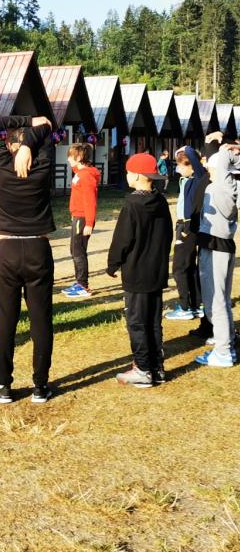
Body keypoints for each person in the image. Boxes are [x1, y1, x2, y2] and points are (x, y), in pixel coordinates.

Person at [0, 115, 55, 404]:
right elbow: (47, 128)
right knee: (41, 320)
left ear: (9, 146)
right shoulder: (43, 164)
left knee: (5, 320)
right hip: (38, 248)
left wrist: (25, 126)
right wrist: (30, 144)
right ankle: (40, 386)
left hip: (7, 250)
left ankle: (3, 385)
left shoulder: (2, 163)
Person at [107, 153, 172, 388]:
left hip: (136, 271)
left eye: (128, 172)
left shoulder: (132, 205)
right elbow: (168, 234)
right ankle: (157, 367)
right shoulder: (161, 201)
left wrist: (113, 263)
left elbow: (122, 239)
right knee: (153, 320)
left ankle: (143, 369)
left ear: (136, 175)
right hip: (156, 269)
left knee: (136, 321)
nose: (126, 176)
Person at [194, 141, 240, 368]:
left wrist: (225, 149)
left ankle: (223, 352)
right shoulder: (229, 185)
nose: (207, 169)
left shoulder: (221, 186)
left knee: (215, 301)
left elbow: (222, 160)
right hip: (222, 245)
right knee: (221, 299)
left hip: (215, 246)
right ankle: (227, 344)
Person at [164, 146, 207, 321]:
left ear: (191, 166)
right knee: (189, 267)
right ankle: (197, 305)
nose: (178, 169)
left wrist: (186, 149)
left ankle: (184, 307)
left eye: (181, 166)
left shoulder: (199, 179)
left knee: (179, 267)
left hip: (188, 227)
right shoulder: (186, 180)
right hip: (183, 225)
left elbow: (195, 161)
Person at [62, 143, 100, 298]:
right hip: (78, 216)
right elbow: (76, 170)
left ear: (78, 157)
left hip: (83, 218)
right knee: (75, 249)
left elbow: (90, 201)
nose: (68, 159)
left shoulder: (86, 176)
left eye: (70, 156)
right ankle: (79, 282)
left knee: (78, 251)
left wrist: (89, 223)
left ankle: (82, 285)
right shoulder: (80, 172)